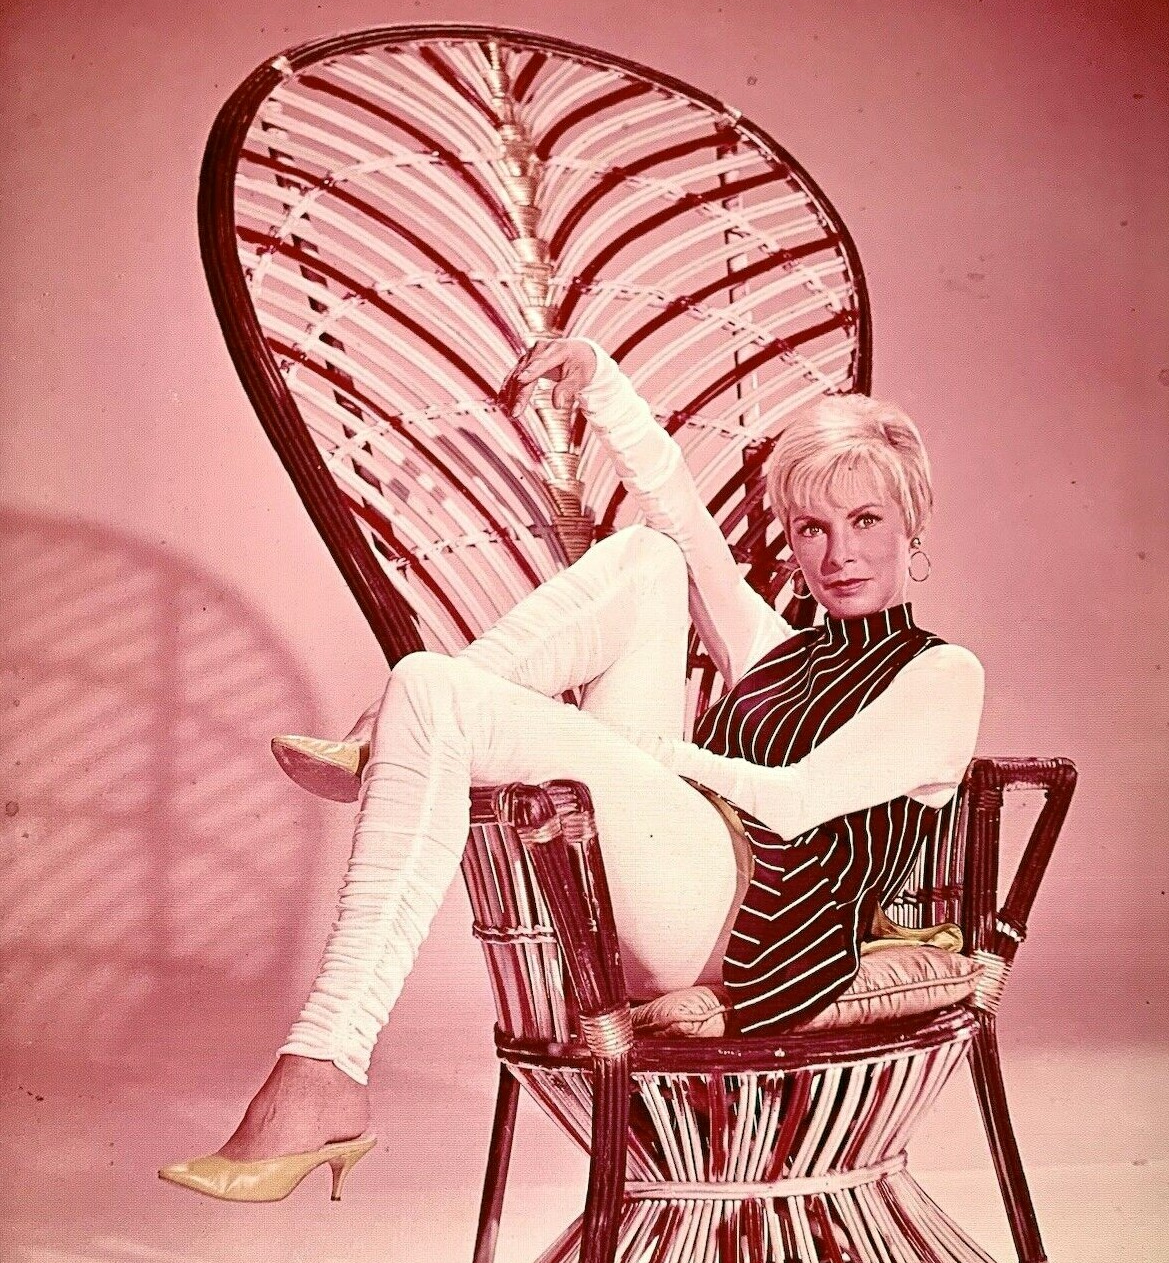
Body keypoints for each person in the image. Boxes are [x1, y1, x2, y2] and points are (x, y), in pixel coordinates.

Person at [158, 338, 983, 1203]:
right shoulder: (776, 650)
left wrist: (655, 757)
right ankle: (399, 733)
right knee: (652, 555)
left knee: (429, 689)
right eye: (812, 527)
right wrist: (600, 380)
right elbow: (680, 513)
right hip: (673, 879)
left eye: (865, 521)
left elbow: (799, 800)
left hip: (760, 924)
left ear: (911, 525)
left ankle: (326, 1051)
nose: (838, 553)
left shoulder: (942, 674)